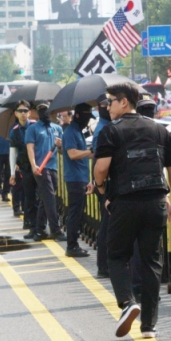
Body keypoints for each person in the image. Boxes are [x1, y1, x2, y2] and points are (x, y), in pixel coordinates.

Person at [93, 82, 171, 339]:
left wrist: (102, 190)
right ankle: (149, 326)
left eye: (110, 101)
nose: (107, 107)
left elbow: (101, 168)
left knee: (117, 255)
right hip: (156, 202)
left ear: (124, 102)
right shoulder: (159, 130)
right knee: (151, 261)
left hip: (125, 202)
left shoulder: (111, 131)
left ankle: (128, 302)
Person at [25, 103, 63, 241]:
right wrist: (34, 165)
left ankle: (39, 230)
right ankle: (55, 230)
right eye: (41, 110)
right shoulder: (33, 129)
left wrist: (60, 146)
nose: (44, 112)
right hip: (41, 168)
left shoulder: (57, 128)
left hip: (53, 167)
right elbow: (30, 148)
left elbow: (61, 151)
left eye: (46, 110)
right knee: (50, 198)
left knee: (45, 199)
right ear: (37, 112)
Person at [62, 104, 93, 257]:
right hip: (75, 179)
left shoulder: (78, 131)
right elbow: (73, 154)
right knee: (75, 214)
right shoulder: (70, 132)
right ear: (79, 116)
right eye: (86, 117)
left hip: (80, 177)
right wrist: (90, 151)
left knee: (78, 213)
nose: (88, 121)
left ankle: (73, 244)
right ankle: (72, 246)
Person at [92, 99, 113, 277]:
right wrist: (100, 186)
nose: (108, 108)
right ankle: (104, 265)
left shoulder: (106, 126)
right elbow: (100, 161)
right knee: (107, 223)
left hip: (103, 181)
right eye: (105, 105)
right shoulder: (103, 129)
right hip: (105, 183)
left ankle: (104, 264)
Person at [9, 102, 37, 228]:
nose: (23, 113)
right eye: (20, 111)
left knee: (39, 195)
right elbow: (12, 152)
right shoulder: (14, 131)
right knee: (28, 194)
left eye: (25, 111)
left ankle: (38, 223)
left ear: (30, 113)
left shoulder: (35, 126)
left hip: (38, 165)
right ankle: (28, 222)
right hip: (25, 167)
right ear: (16, 113)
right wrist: (12, 173)